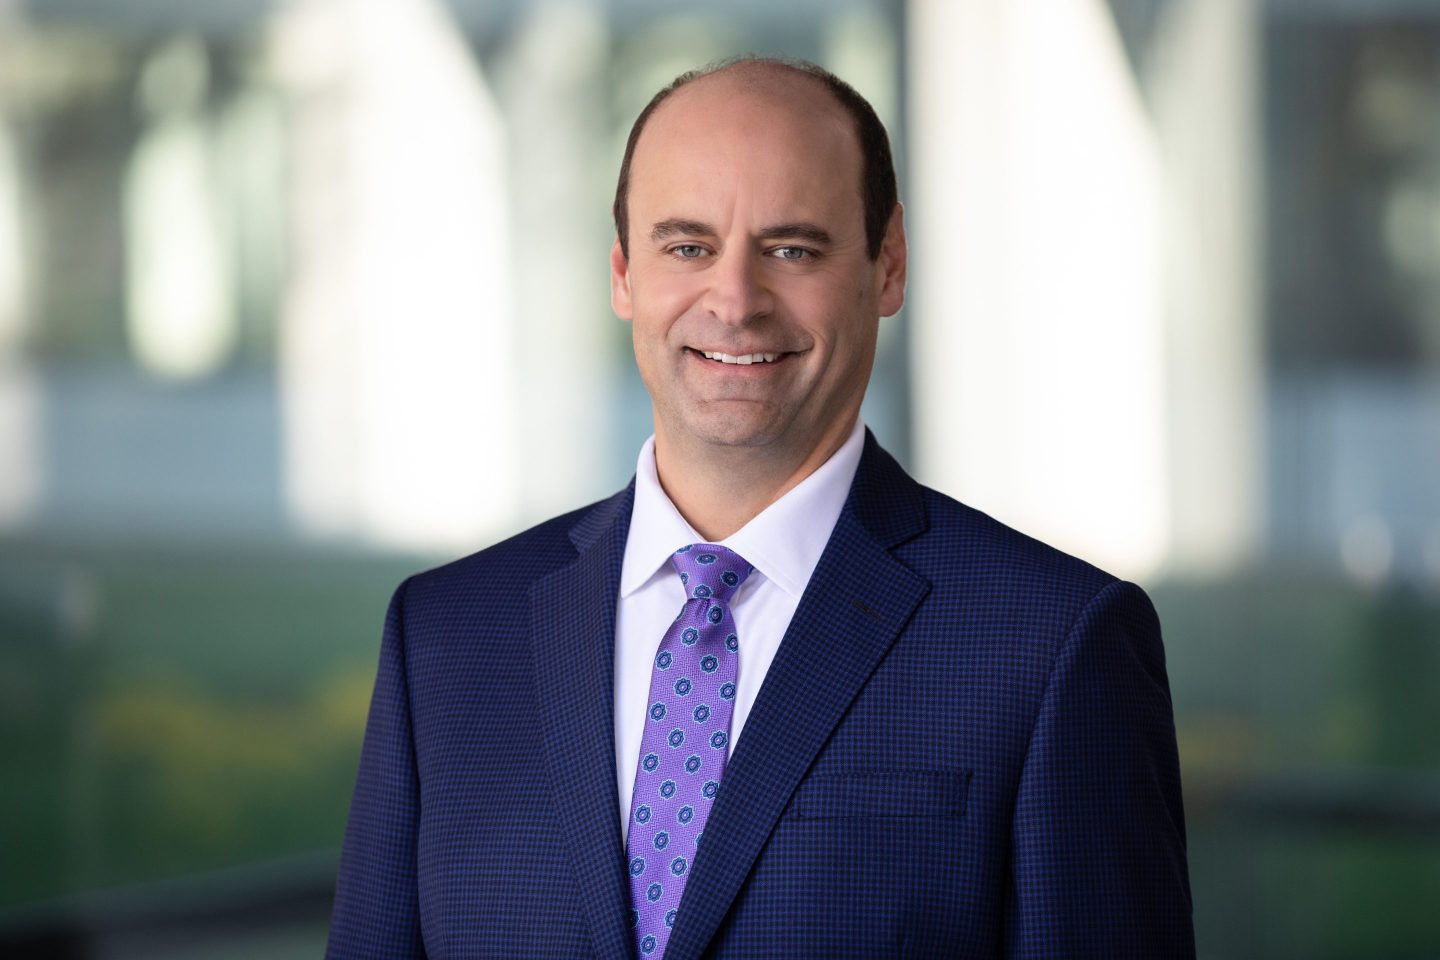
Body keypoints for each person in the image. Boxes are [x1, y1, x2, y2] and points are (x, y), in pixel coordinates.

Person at [326, 57, 1194, 959]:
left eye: (792, 248)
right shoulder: (446, 638)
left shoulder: (1050, 643)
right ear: (624, 272)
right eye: (688, 247)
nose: (735, 302)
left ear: (887, 264)